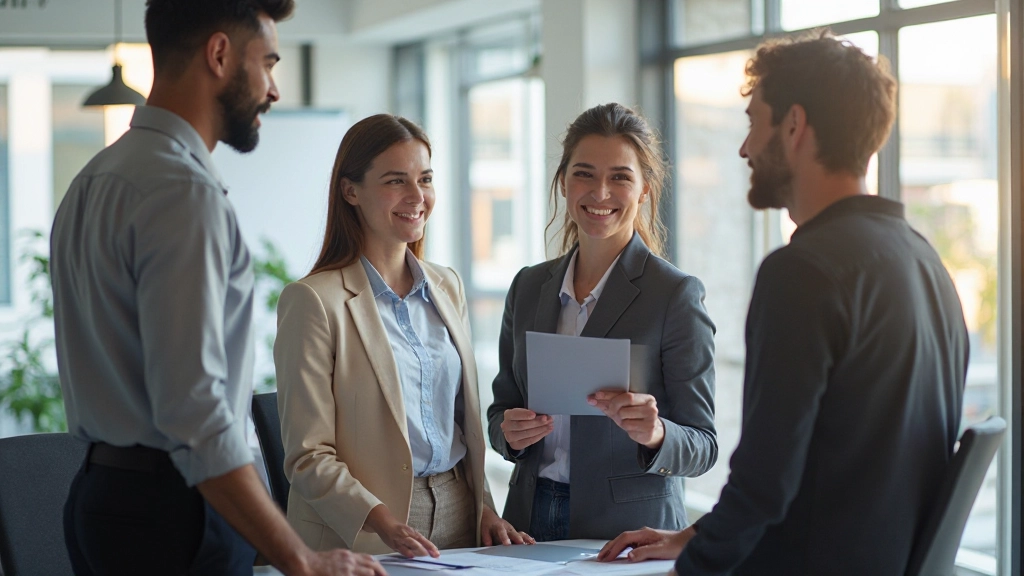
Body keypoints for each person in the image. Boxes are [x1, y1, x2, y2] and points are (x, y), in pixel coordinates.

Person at [599, 32, 968, 575]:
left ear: (794, 126)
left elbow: (766, 481)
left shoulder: (801, 272)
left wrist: (693, 566)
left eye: (754, 122)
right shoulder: (924, 261)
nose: (745, 148)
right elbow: (831, 459)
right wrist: (693, 536)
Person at [51, 1, 383, 574]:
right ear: (220, 54)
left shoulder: (94, 179)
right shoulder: (182, 192)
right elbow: (197, 413)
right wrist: (301, 559)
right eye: (268, 63)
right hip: (173, 511)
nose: (273, 90)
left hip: (101, 498)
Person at [274, 114, 531, 558]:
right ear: (350, 191)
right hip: (362, 526)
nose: (417, 197)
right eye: (396, 181)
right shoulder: (314, 301)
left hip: (458, 511)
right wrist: (384, 522)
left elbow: (461, 424)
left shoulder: (446, 286)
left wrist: (483, 508)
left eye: (425, 179)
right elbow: (307, 456)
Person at [487, 103, 718, 542]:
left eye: (620, 177)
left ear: (645, 189)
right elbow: (501, 409)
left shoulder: (674, 294)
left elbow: (703, 446)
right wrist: (509, 433)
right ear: (563, 182)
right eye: (584, 174)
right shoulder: (529, 286)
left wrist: (656, 432)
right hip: (526, 524)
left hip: (624, 533)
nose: (600, 193)